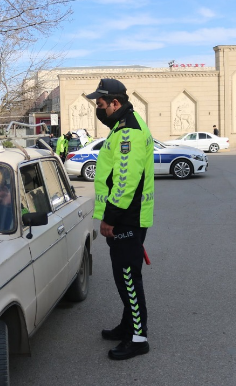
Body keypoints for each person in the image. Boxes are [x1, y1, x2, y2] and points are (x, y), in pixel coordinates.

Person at [86, 78, 155, 361]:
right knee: (124, 276)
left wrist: (109, 220)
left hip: (126, 218)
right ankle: (128, 326)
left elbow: (126, 182)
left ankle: (138, 338)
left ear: (116, 103)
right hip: (127, 217)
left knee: (128, 277)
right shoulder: (121, 127)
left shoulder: (129, 131)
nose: (98, 110)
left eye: (100, 104)